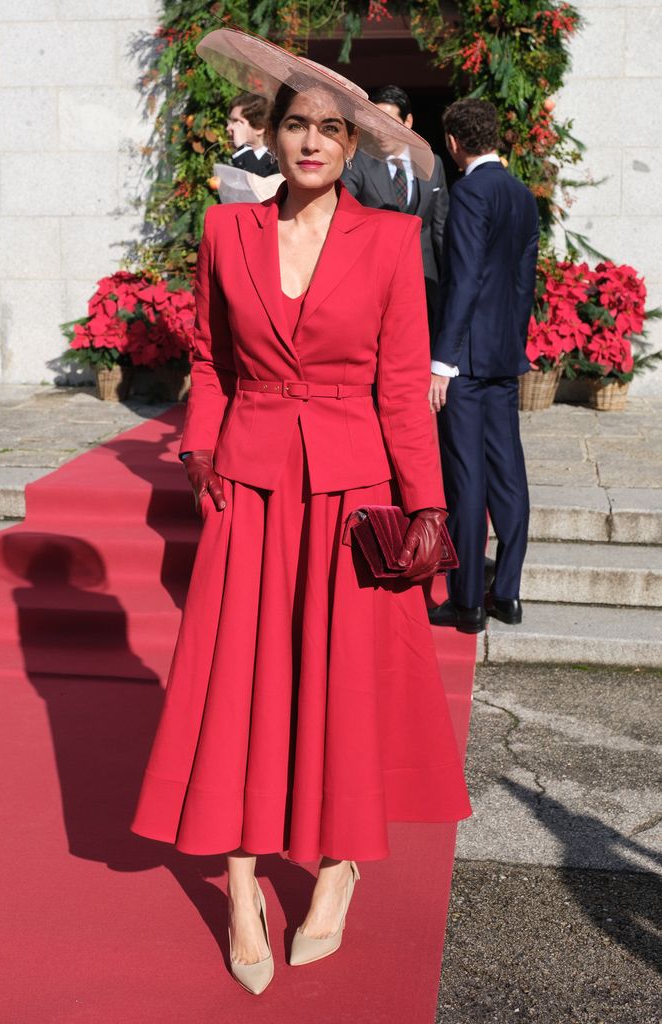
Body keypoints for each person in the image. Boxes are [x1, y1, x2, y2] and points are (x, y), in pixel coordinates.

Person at [131, 28, 470, 996]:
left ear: (350, 145)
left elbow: (403, 389)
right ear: (271, 136)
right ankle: (240, 883)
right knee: (241, 689)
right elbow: (212, 362)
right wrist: (202, 453)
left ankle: (335, 866)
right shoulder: (223, 232)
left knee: (340, 690)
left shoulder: (391, 239)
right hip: (249, 493)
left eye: (330, 127)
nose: (312, 140)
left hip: (353, 495)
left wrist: (425, 512)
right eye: (296, 124)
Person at [428, 99, 539, 634]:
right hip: (502, 354)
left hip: (466, 360)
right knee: (508, 474)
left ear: (454, 142)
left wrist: (442, 360)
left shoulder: (470, 191)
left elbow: (466, 278)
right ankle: (509, 594)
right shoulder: (522, 194)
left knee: (466, 480)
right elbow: (524, 284)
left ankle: (469, 601)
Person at [342, 84, 449, 339]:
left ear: (408, 121)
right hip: (374, 278)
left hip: (424, 279)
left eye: (389, 122)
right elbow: (343, 208)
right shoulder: (358, 161)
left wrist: (450, 281)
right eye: (375, 122)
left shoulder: (432, 163)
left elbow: (440, 226)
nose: (381, 132)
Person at [227, 91, 280, 176]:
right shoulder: (235, 159)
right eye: (229, 122)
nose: (228, 128)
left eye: (237, 122)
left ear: (259, 127)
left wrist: (243, 148)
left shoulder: (275, 165)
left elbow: (258, 183)